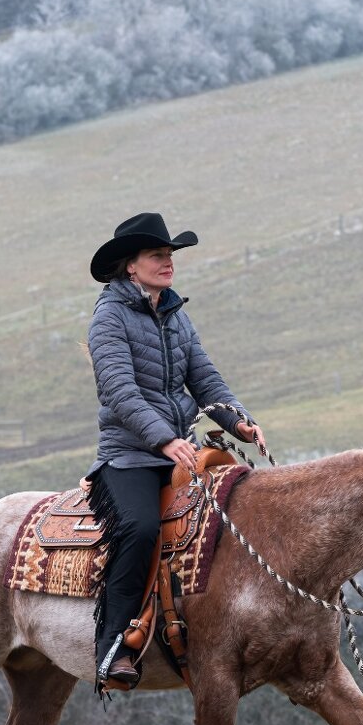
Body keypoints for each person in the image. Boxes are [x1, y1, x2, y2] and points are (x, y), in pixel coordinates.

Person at [84, 212, 264, 689]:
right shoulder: (108, 318)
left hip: (180, 452)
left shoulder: (176, 314)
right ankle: (114, 647)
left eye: (170, 256)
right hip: (129, 456)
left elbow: (204, 379)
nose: (168, 263)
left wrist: (238, 420)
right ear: (130, 266)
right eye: (157, 256)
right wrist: (165, 439)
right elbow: (121, 394)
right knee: (141, 530)